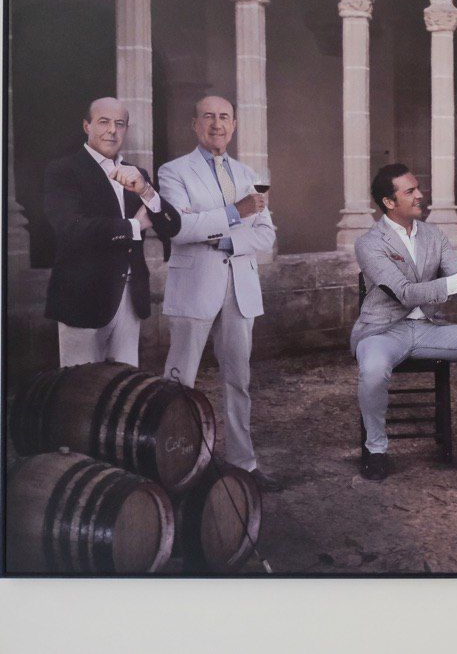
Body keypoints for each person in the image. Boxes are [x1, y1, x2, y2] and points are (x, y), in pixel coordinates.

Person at [352, 164, 457, 479]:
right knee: (372, 369)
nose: (420, 195)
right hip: (382, 332)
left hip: (428, 328)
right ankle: (375, 450)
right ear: (389, 202)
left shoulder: (433, 235)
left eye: (418, 188)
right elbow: (404, 293)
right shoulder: (369, 242)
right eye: (410, 191)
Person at [158, 95, 280, 492]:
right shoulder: (174, 172)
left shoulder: (247, 174)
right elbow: (179, 229)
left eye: (224, 117)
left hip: (239, 288)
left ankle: (243, 463)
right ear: (195, 124)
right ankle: (175, 467)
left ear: (234, 125)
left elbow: (266, 234)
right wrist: (235, 213)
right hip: (194, 286)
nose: (217, 124)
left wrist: (225, 241)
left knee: (238, 380)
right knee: (180, 382)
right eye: (208, 117)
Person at [44, 97, 181, 367]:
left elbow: (171, 225)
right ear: (87, 126)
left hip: (130, 298)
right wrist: (133, 226)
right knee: (81, 385)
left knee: (123, 382)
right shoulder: (63, 170)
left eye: (120, 124)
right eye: (104, 122)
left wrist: (145, 190)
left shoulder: (137, 173)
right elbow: (70, 229)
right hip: (82, 297)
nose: (112, 130)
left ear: (126, 129)